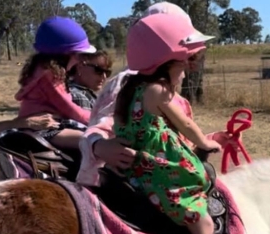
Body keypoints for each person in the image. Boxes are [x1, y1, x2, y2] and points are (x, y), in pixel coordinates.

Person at [114, 13, 247, 234]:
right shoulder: (158, 92)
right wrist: (206, 142)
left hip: (136, 172)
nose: (187, 70)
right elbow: (184, 123)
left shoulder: (129, 92)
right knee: (202, 223)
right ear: (164, 62)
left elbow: (130, 132)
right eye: (184, 62)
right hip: (156, 174)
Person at [76, 1, 239, 186]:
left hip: (166, 175)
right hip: (138, 184)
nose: (187, 67)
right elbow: (97, 130)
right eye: (186, 58)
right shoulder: (127, 87)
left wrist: (209, 140)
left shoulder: (170, 94)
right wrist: (99, 145)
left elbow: (170, 144)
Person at [14, 16, 96, 149]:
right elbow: (70, 110)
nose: (81, 61)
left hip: (47, 124)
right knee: (94, 141)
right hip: (42, 128)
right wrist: (98, 120)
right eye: (79, 55)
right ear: (65, 55)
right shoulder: (49, 76)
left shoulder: (44, 70)